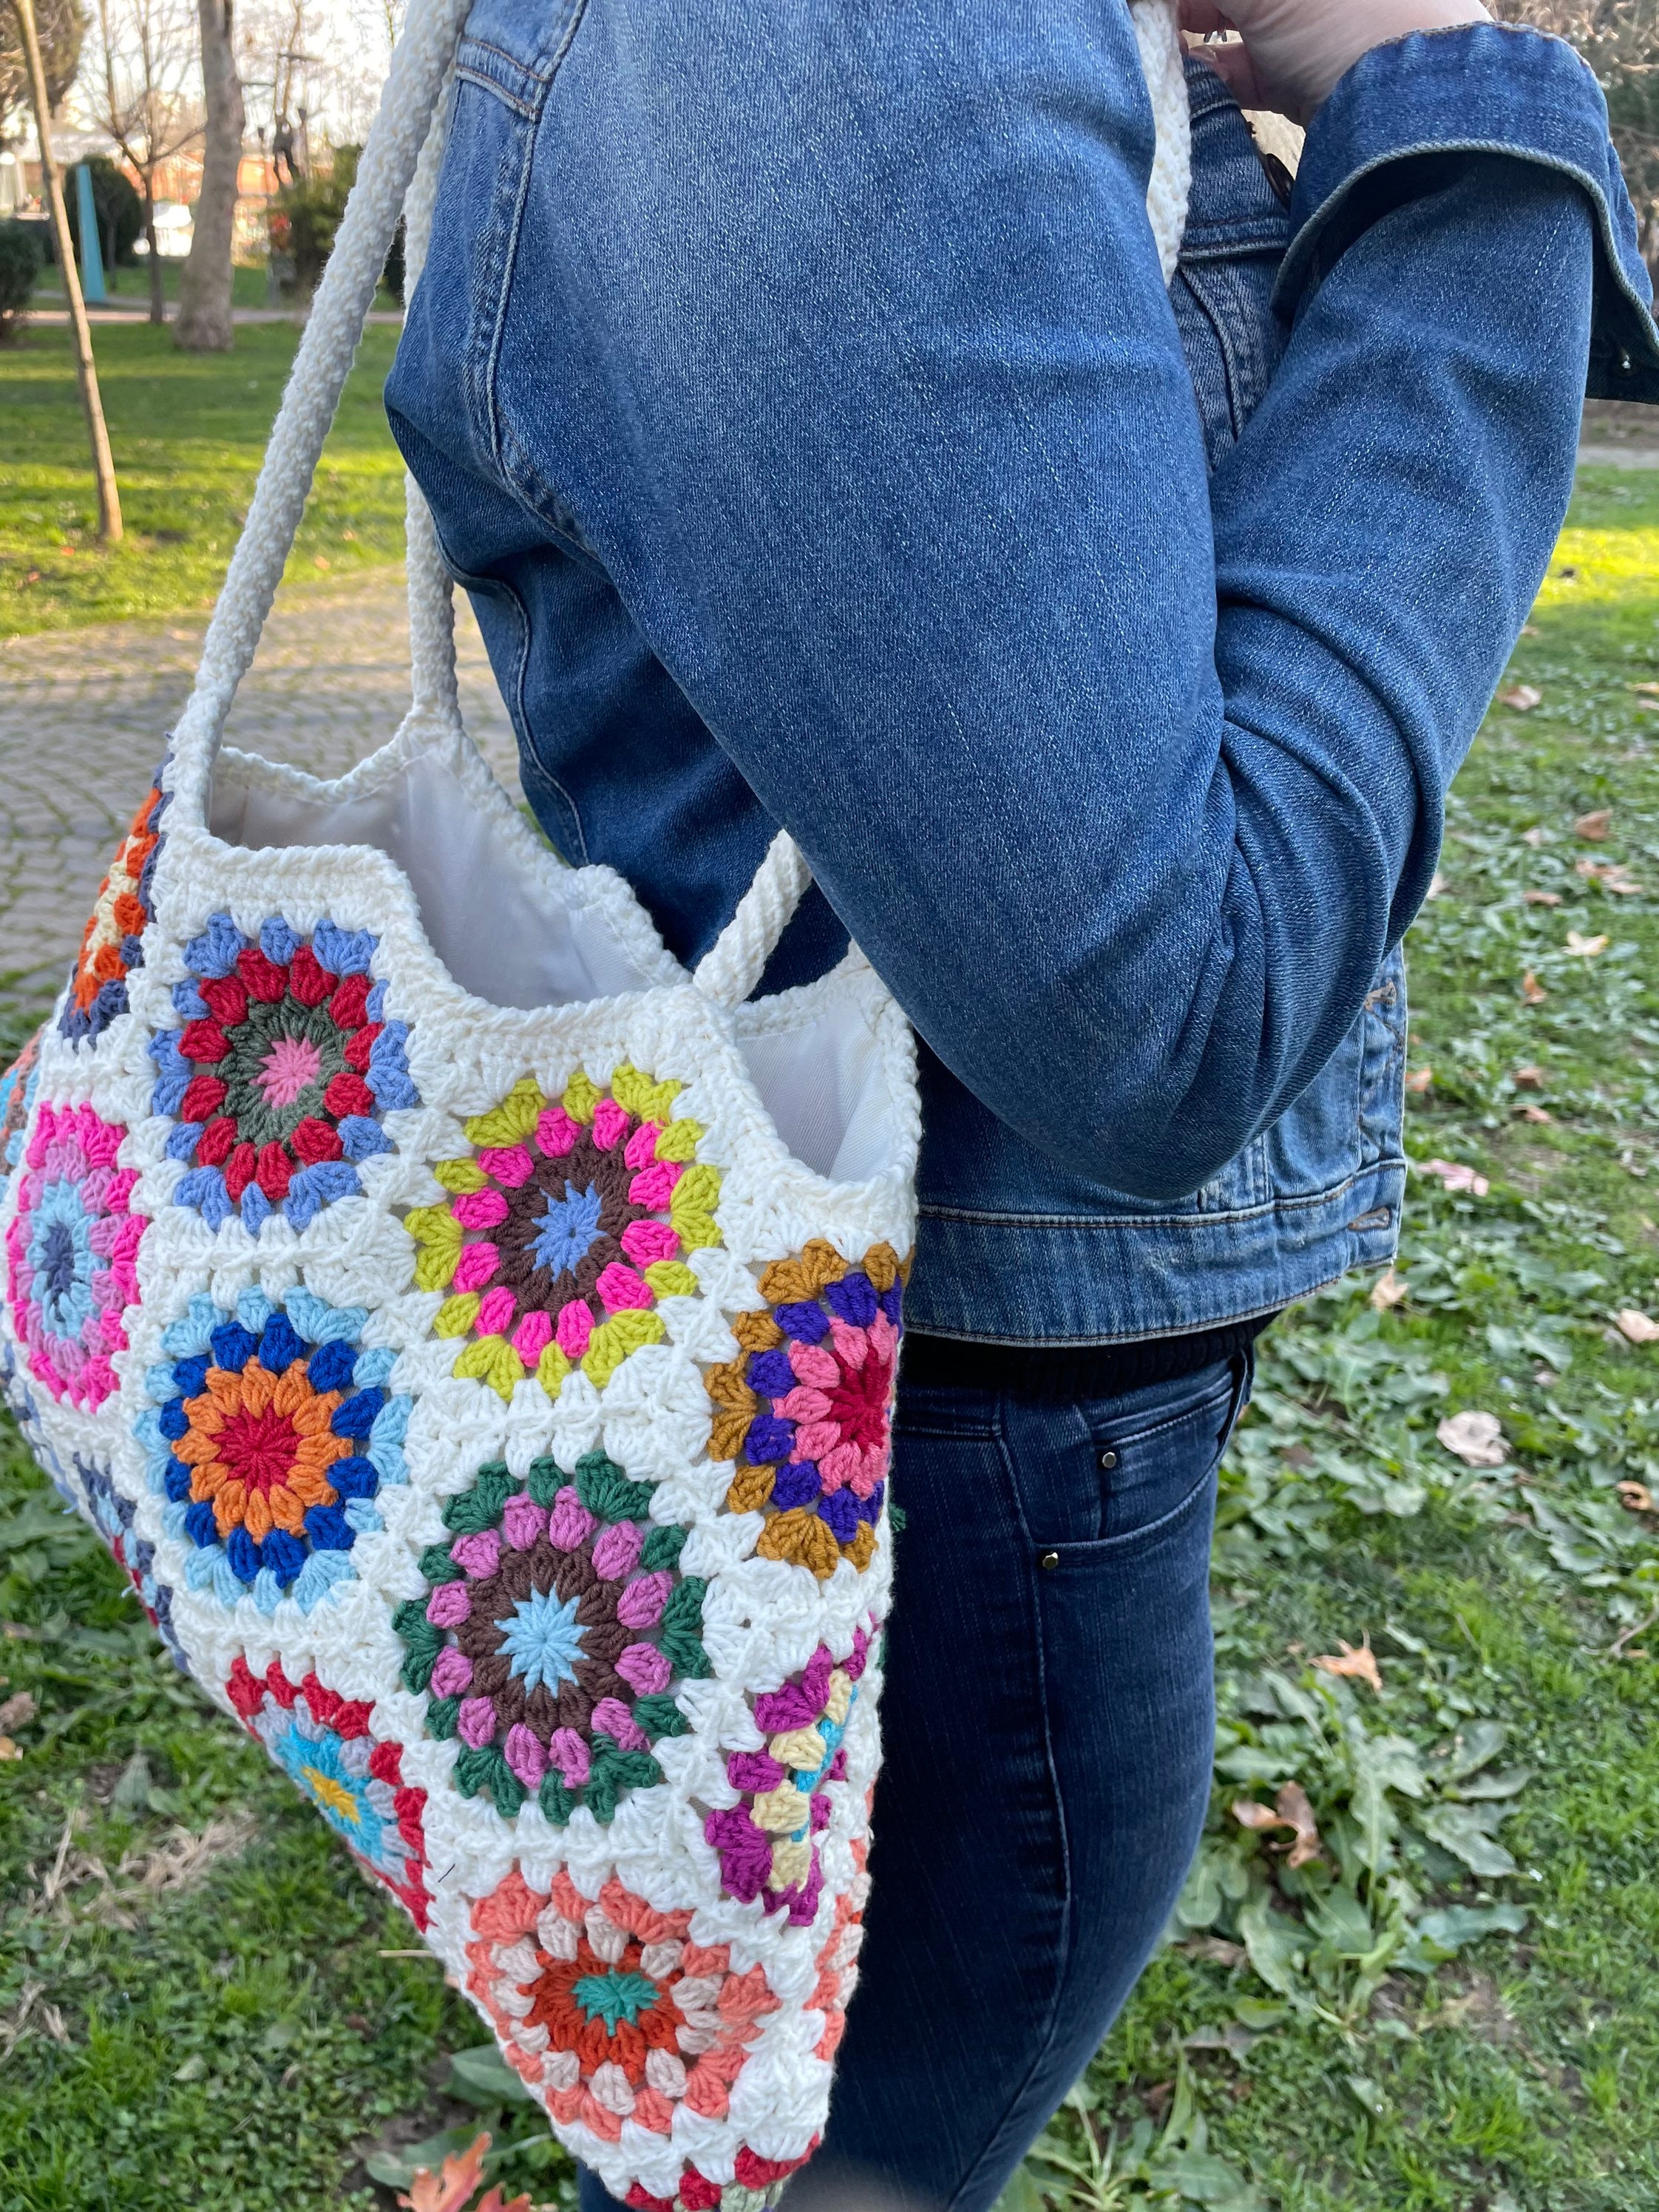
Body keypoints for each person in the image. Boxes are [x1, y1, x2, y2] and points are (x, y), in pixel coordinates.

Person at [384, 3, 1659, 2205]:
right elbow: (1165, 1006)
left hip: (893, 1383)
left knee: (748, 2135)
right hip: (923, 1440)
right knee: (823, 2163)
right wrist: (1441, 108)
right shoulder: (822, 45)